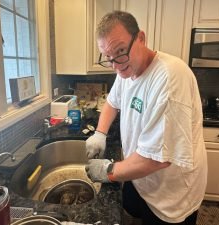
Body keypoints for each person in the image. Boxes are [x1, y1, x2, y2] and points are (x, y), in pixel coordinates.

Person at [85, 10, 207, 225]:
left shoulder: (169, 79)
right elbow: (113, 102)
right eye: (108, 58)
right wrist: (100, 133)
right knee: (133, 209)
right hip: (141, 174)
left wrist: (108, 171)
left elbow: (156, 160)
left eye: (121, 51)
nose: (116, 65)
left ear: (141, 38)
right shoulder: (126, 67)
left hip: (171, 193)